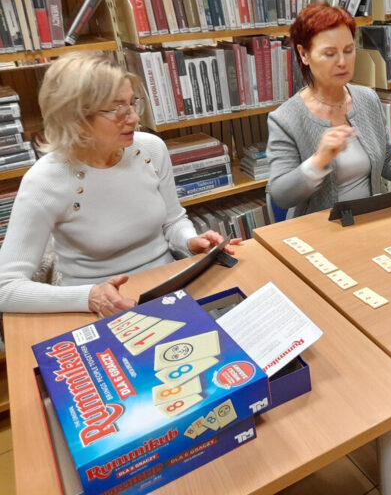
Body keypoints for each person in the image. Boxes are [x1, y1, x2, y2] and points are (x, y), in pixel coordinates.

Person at [0, 53, 234, 318]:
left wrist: (191, 241)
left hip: (167, 287)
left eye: (132, 104)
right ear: (75, 117)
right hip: (93, 308)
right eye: (117, 109)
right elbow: (6, 288)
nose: (134, 118)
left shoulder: (151, 149)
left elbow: (173, 221)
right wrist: (90, 297)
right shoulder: (45, 181)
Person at [267, 1, 391, 219]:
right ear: (304, 54)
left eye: (349, 51)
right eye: (330, 53)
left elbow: (386, 158)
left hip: (371, 220)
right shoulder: (285, 118)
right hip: (319, 232)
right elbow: (281, 196)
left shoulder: (366, 98)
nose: (342, 62)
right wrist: (319, 159)